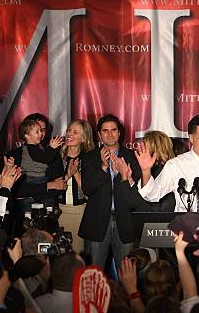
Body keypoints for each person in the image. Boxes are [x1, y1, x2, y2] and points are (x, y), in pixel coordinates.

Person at [79, 114, 141, 269]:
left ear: (119, 133)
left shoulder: (132, 157)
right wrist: (103, 167)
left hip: (126, 221)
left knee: (127, 274)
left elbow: (138, 192)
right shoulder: (89, 157)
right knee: (93, 274)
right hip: (97, 221)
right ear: (99, 134)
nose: (110, 134)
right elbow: (87, 189)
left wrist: (123, 174)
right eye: (105, 131)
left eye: (113, 130)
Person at [58, 120, 95, 252]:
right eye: (68, 130)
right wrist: (66, 176)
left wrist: (76, 174)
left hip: (79, 213)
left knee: (76, 254)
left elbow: (90, 194)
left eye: (75, 132)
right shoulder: (56, 157)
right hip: (56, 212)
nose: (69, 134)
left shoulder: (90, 160)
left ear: (84, 138)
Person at [119, 130, 176, 212]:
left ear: (155, 147)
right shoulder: (150, 168)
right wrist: (129, 178)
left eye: (144, 145)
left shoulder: (169, 168)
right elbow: (138, 197)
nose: (141, 149)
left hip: (159, 221)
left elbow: (146, 201)